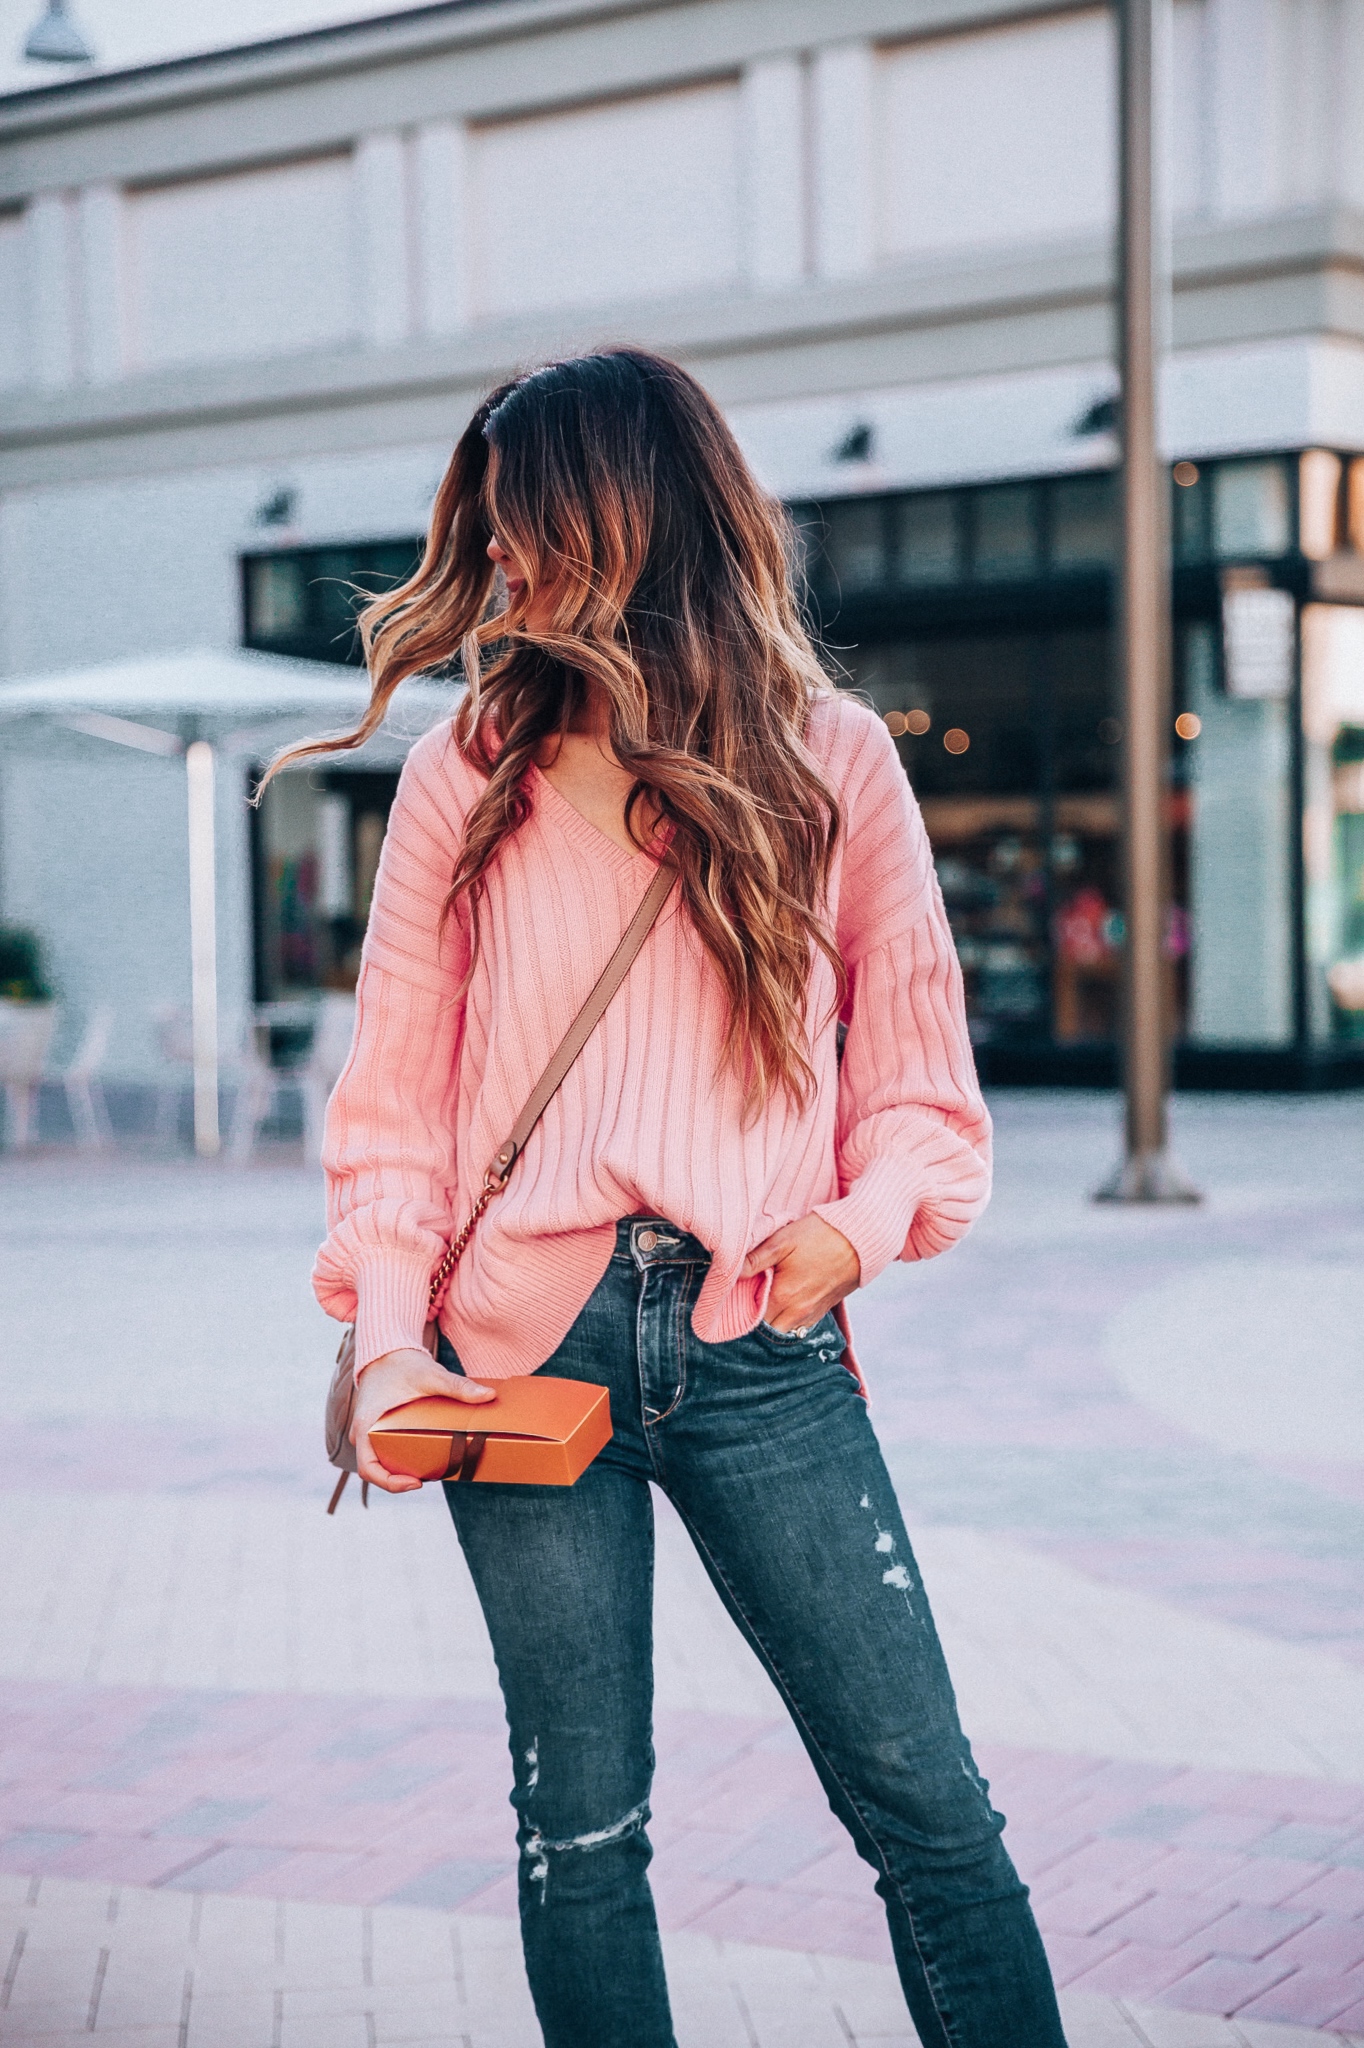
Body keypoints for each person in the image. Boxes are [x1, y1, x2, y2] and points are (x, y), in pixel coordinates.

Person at [287, 349, 1067, 2048]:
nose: (503, 569)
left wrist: (842, 1241)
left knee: (930, 1816)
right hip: (521, 1351)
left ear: (635, 522)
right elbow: (393, 1109)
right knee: (580, 1836)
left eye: (532, 532)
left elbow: (928, 1096)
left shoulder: (834, 760)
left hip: (757, 1336)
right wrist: (390, 1341)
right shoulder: (464, 774)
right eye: (488, 540)